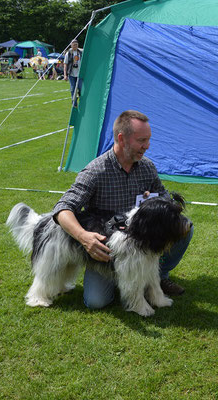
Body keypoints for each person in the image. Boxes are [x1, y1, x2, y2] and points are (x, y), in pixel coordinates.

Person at [52, 110, 192, 308]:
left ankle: (159, 276)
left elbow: (165, 198)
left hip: (140, 243)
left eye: (148, 139)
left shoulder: (147, 167)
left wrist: (154, 202)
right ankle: (127, 280)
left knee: (184, 228)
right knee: (96, 301)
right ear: (122, 138)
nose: (147, 146)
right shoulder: (95, 171)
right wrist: (84, 237)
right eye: (141, 140)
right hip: (109, 251)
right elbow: (62, 209)